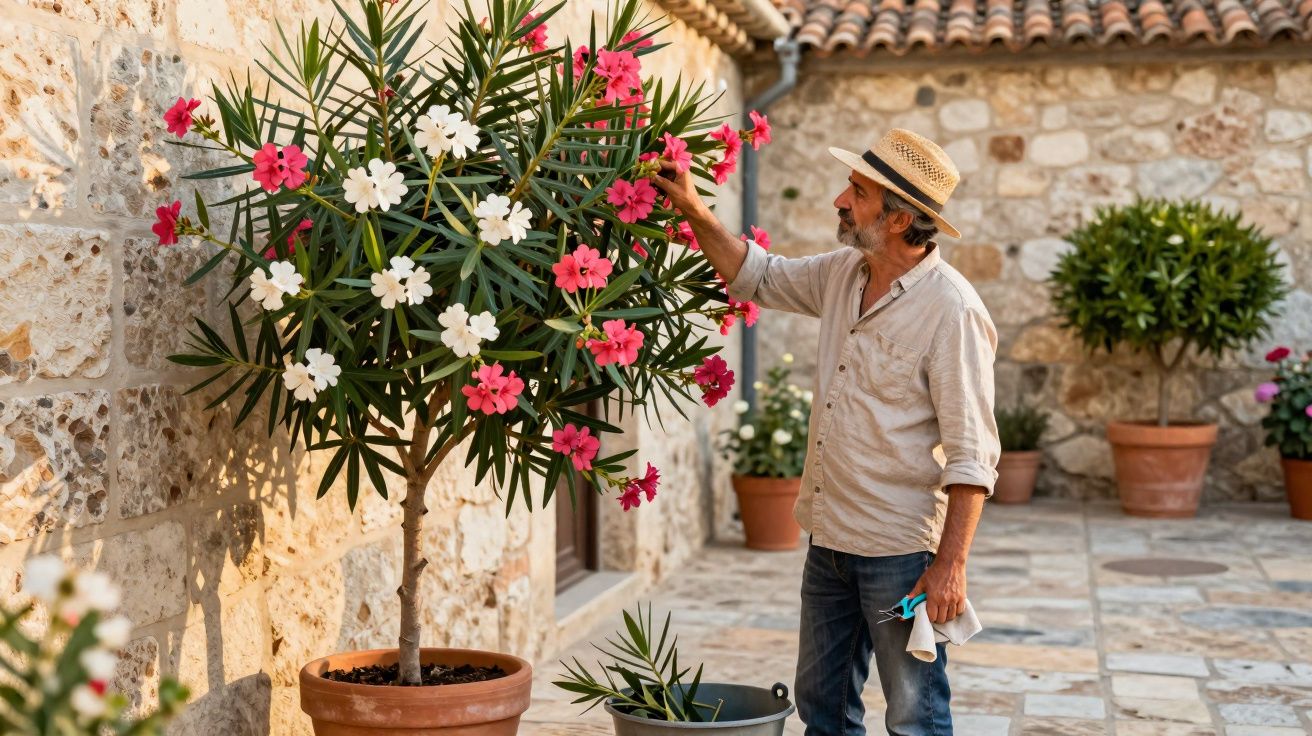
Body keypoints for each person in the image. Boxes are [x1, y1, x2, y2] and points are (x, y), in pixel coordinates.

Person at [650, 128, 1000, 736]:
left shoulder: (953, 310)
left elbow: (973, 455)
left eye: (858, 193)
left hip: (899, 553)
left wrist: (950, 567)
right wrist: (695, 210)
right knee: (823, 710)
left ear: (900, 219)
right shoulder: (843, 273)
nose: (841, 200)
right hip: (829, 541)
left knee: (915, 717)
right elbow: (757, 275)